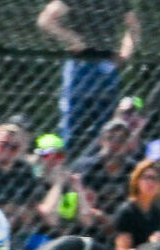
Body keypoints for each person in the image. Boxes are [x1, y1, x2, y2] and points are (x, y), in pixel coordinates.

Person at [37, 0, 137, 153]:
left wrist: (124, 55)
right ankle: (70, 159)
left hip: (103, 63)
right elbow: (46, 20)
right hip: (82, 63)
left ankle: (100, 158)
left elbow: (133, 27)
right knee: (73, 119)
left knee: (104, 121)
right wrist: (72, 39)